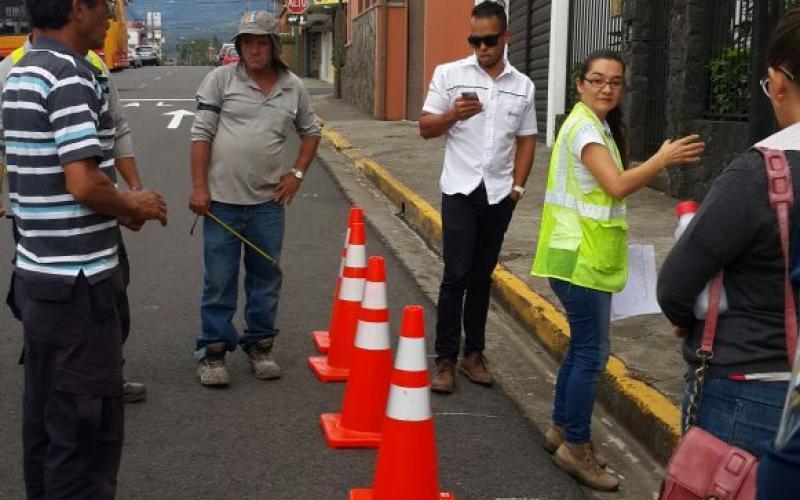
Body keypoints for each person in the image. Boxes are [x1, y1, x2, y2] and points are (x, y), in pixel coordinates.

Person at [3, 0, 167, 497]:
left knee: (47, 425)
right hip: (79, 288)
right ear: (78, 8)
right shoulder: (70, 76)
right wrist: (134, 204)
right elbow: (82, 182)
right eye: (105, 10)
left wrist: (118, 205)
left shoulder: (21, 70)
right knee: (85, 433)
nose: (110, 21)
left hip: (37, 276)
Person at [531, 50, 704, 491]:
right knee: (591, 354)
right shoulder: (586, 128)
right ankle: (576, 446)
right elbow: (618, 184)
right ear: (580, 83)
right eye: (597, 79)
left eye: (615, 81)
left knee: (582, 349)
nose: (606, 87)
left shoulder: (593, 124)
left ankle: (560, 429)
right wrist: (661, 159)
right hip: (580, 259)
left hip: (579, 254)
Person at [658, 5, 800, 470]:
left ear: (778, 82)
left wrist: (688, 316)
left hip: (751, 391)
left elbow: (676, 285)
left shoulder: (759, 175)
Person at [0, 28, 149, 404]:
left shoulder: (94, 64)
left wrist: (132, 191)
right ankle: (56, 377)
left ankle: (107, 372)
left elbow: (118, 127)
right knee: (49, 303)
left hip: (100, 213)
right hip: (42, 217)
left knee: (112, 295)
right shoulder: (11, 69)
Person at [189, 11, 321, 387]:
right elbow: (200, 136)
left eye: (262, 42)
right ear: (240, 46)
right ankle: (212, 353)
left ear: (274, 46)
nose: (255, 49)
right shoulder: (219, 80)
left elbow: (311, 132)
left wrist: (296, 174)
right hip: (220, 205)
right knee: (219, 280)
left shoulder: (293, 87)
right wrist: (199, 188)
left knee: (266, 277)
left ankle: (260, 346)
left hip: (267, 205)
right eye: (248, 42)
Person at [419, 0, 537, 394]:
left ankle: (474, 355)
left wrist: (517, 188)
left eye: (489, 40)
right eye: (475, 40)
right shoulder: (449, 75)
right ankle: (446, 360)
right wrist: (453, 115)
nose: (482, 48)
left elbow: (526, 140)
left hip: (500, 194)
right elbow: (425, 128)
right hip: (460, 190)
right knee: (455, 276)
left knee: (482, 278)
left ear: (505, 37)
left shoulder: (523, 86)